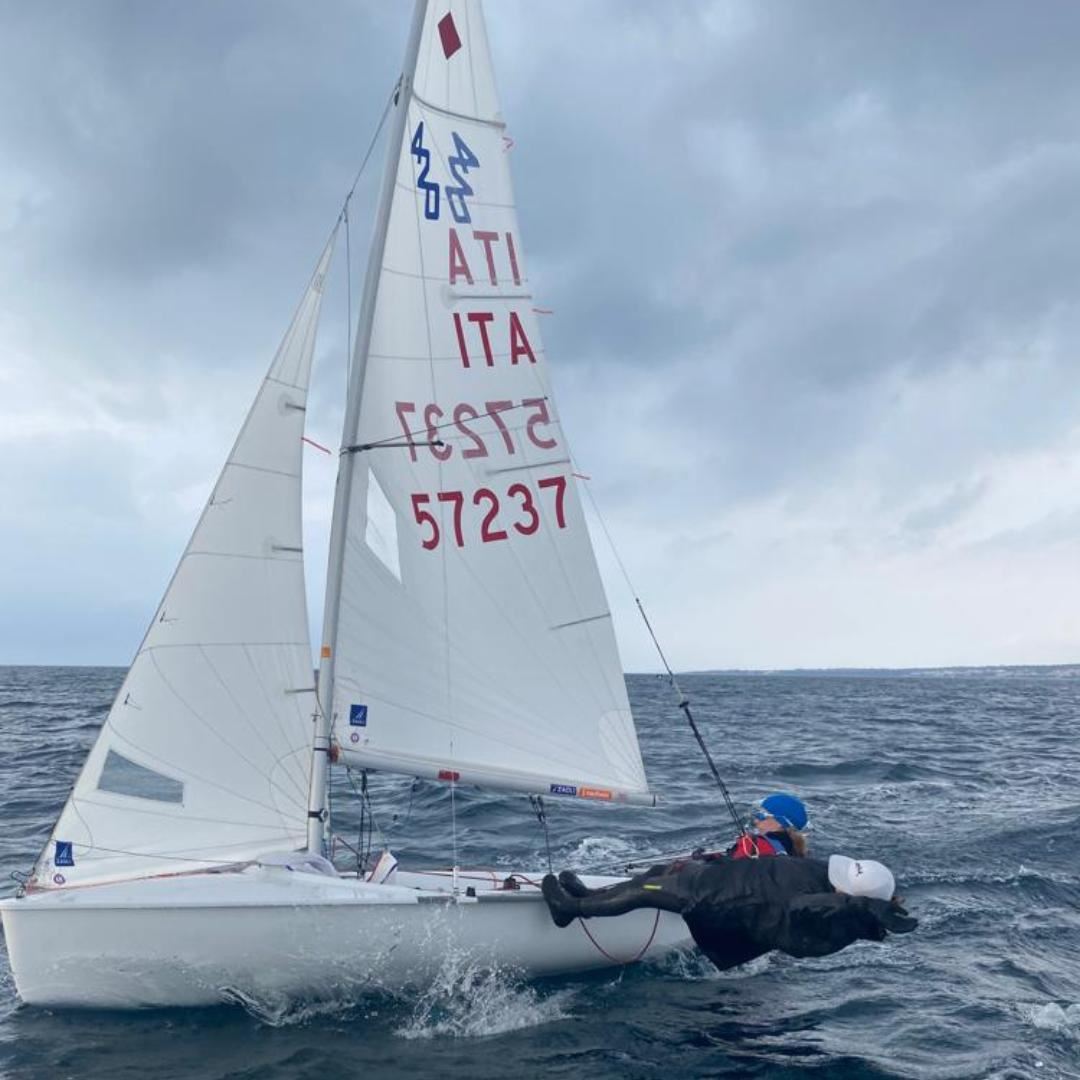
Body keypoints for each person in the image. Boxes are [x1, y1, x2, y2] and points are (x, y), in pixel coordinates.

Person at [542, 853, 917, 972]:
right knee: (656, 873)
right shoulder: (830, 888)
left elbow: (797, 907)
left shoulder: (830, 918)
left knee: (644, 892)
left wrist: (858, 905)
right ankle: (592, 895)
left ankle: (571, 909)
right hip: (723, 880)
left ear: (852, 898)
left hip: (720, 902)